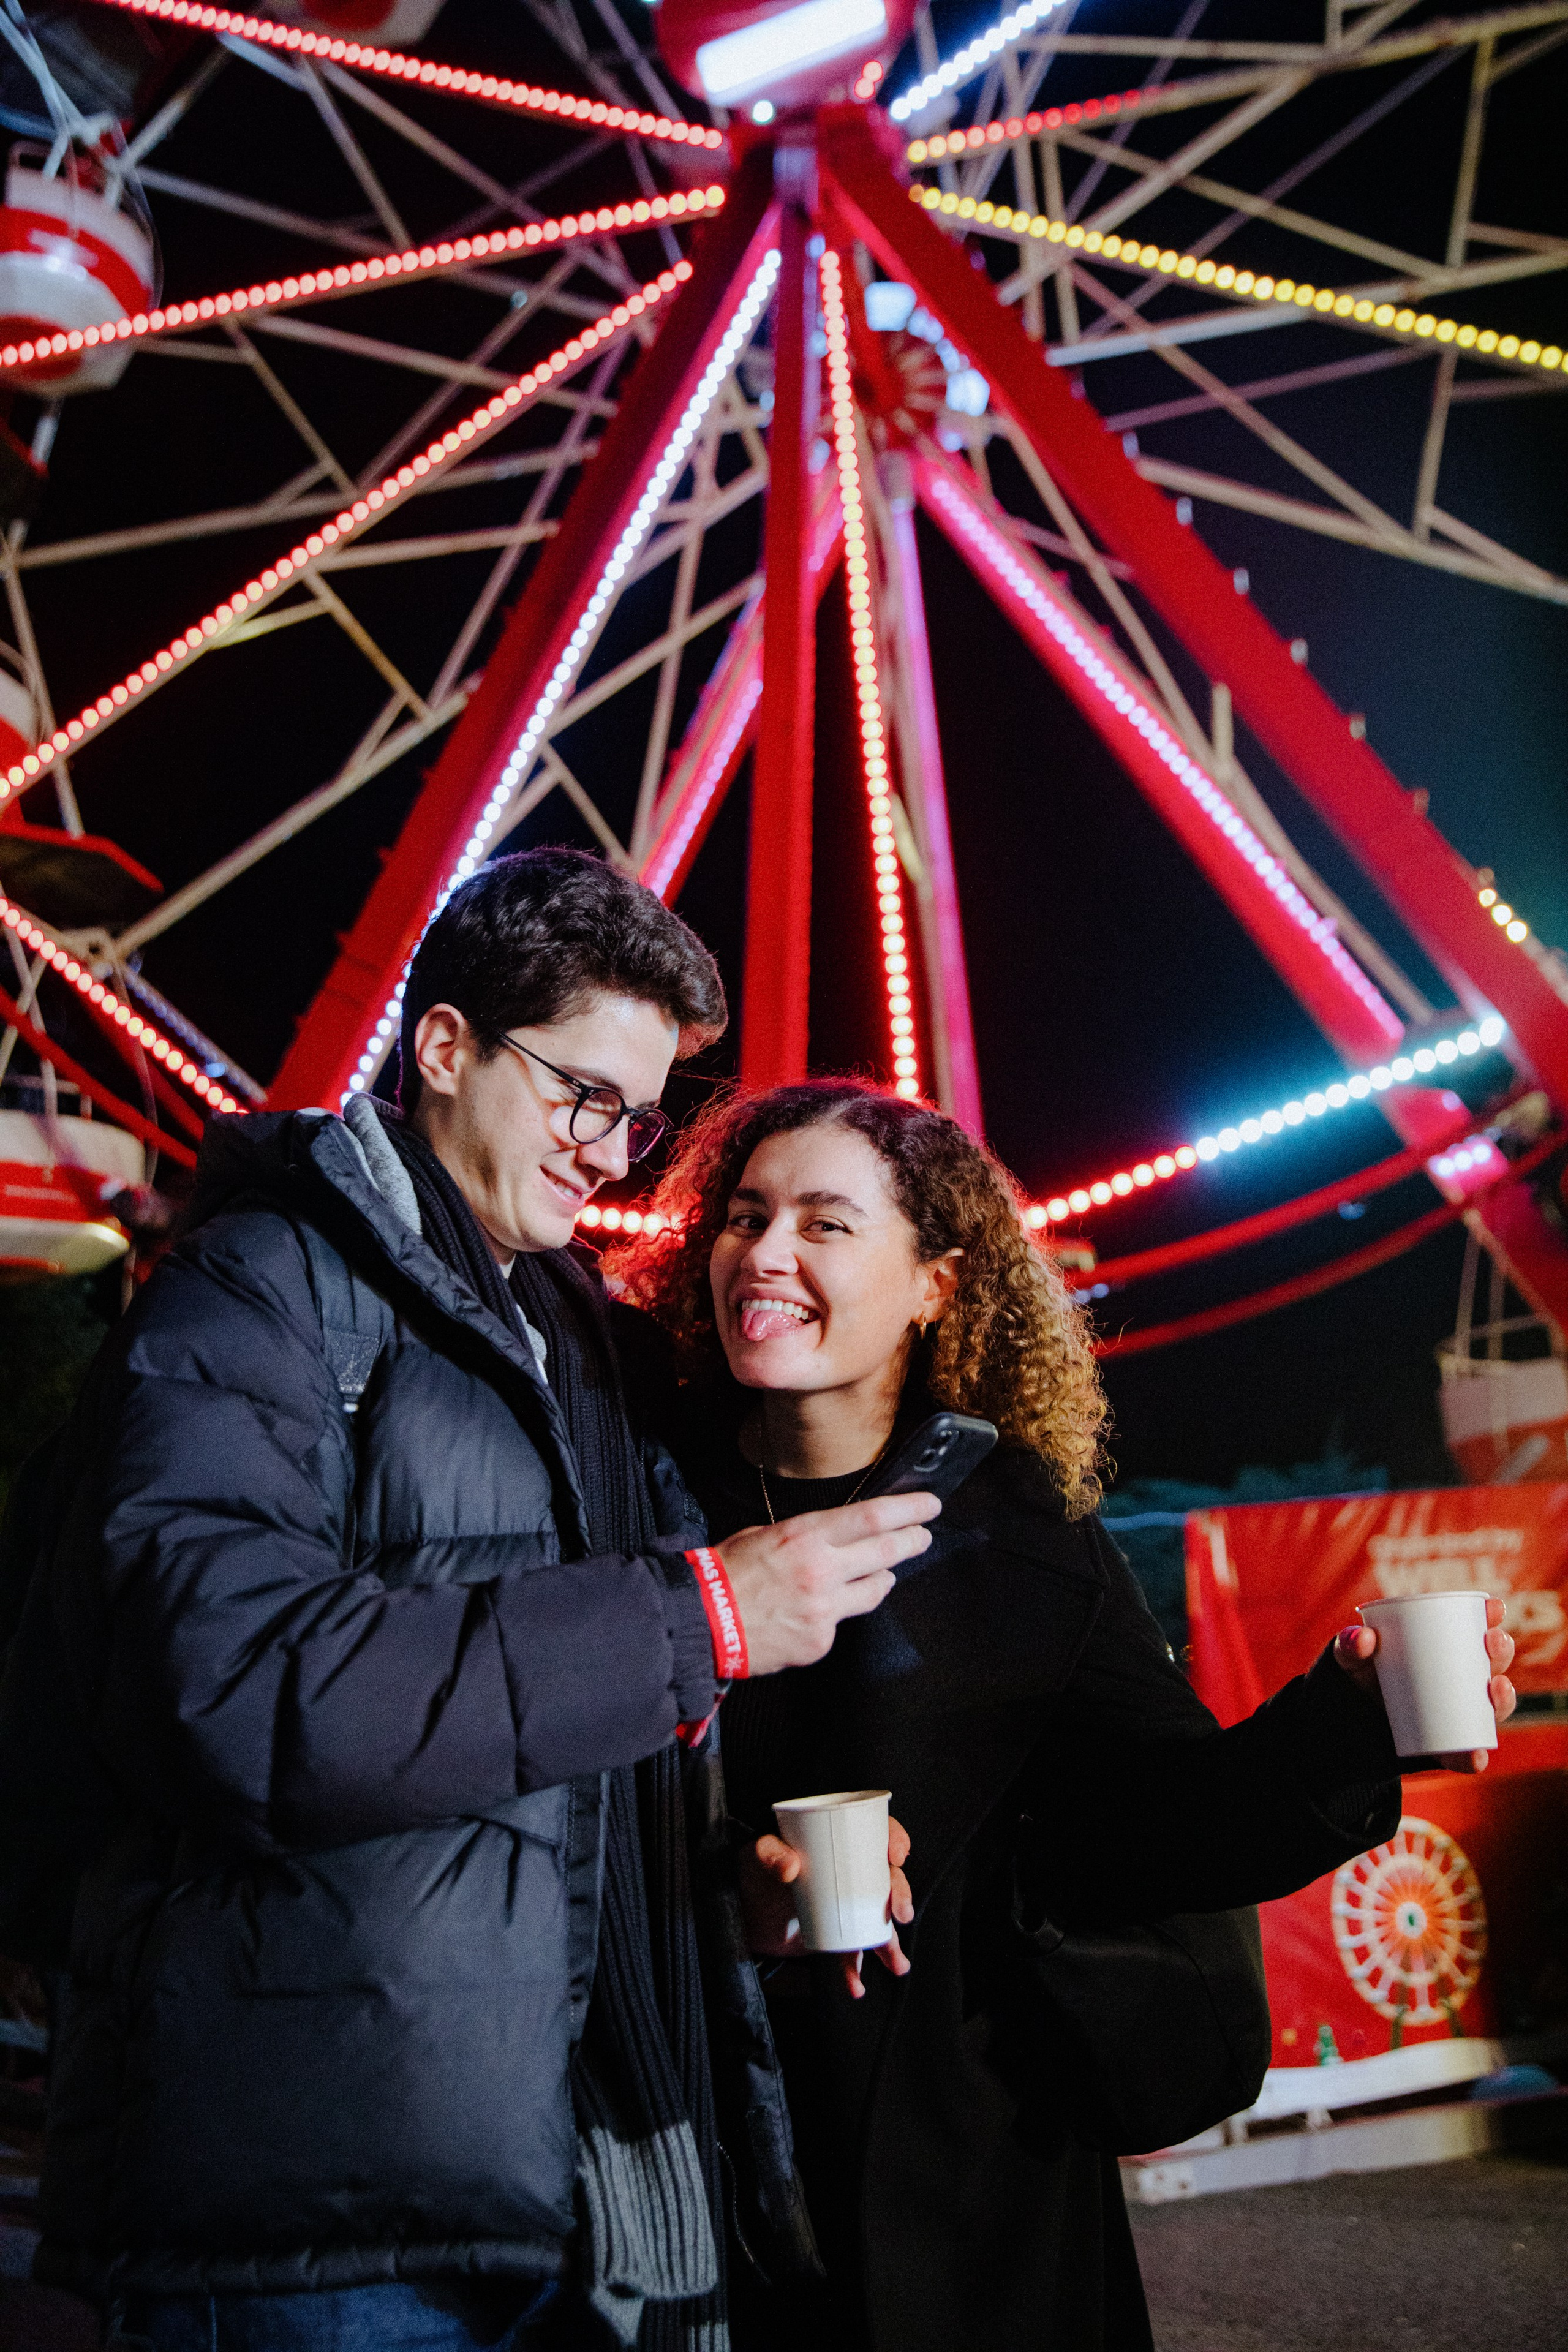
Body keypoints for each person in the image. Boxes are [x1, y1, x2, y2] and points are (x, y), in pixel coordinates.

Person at [0, 855, 940, 2352]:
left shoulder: (564, 1333)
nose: (610, 1156)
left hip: (554, 2182)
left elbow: (558, 1779)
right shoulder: (255, 1294)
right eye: (582, 1096)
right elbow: (230, 1690)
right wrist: (691, 1619)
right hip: (310, 2219)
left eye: (635, 1119)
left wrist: (724, 1896)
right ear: (442, 1048)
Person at [610, 1079, 1518, 2352]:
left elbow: (1164, 1831)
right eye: (744, 1215)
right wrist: (722, 1898)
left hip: (960, 2177)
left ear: (934, 1282)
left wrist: (1350, 1722)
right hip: (677, 2159)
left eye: (824, 1223)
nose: (763, 1254)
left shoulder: (1017, 1536)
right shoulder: (628, 1492)